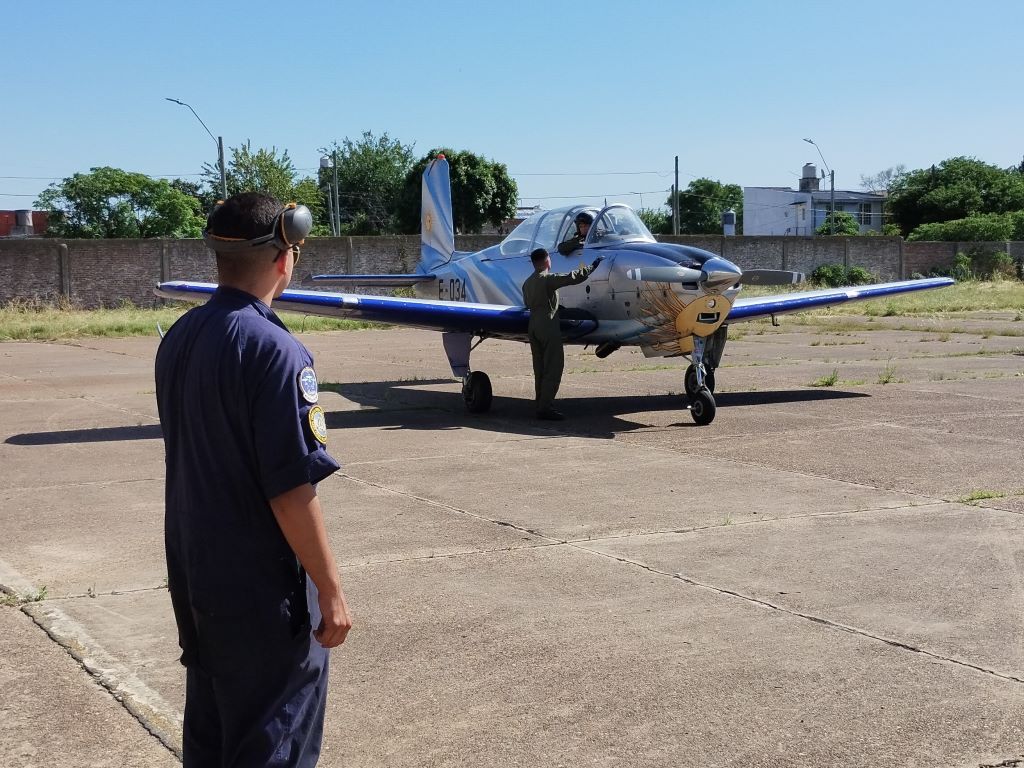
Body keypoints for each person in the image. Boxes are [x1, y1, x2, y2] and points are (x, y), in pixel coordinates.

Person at [155, 192, 352, 767]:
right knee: (273, 741)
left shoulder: (180, 339)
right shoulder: (278, 352)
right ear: (285, 256)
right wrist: (331, 591)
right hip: (265, 597)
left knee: (214, 741)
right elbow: (291, 491)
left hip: (197, 581)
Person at [522, 247, 602, 420]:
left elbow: (528, 303)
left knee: (540, 368)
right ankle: (545, 408)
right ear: (545, 261)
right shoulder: (547, 279)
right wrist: (592, 267)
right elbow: (572, 278)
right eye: (549, 258)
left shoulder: (527, 283)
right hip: (548, 326)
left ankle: (540, 403)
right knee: (553, 367)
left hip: (533, 326)